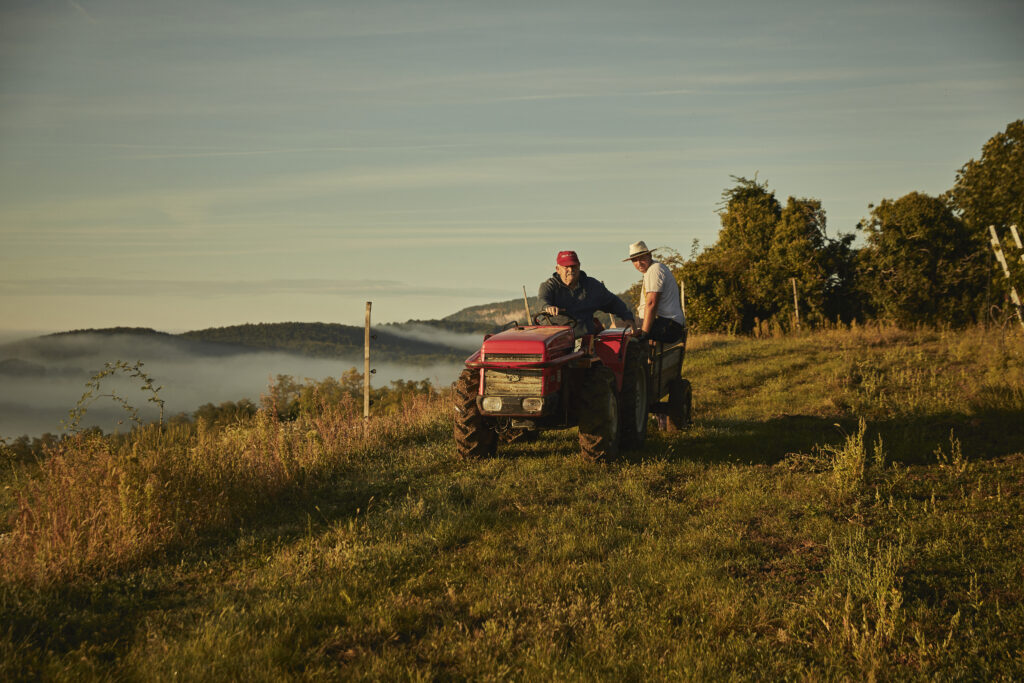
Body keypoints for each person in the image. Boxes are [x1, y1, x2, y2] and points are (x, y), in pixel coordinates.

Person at [539, 250, 635, 338]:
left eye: (573, 266)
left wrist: (628, 318)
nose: (571, 270)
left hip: (584, 338)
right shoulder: (549, 286)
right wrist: (548, 307)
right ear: (558, 269)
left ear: (579, 266)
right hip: (556, 337)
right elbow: (543, 300)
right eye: (566, 267)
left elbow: (613, 302)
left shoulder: (592, 286)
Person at [624, 241, 686, 344]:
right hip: (667, 324)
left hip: (669, 326)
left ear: (649, 255)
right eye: (634, 260)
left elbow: (651, 303)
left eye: (642, 258)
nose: (639, 263)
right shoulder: (653, 270)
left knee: (619, 327)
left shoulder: (655, 270)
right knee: (625, 325)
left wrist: (644, 334)